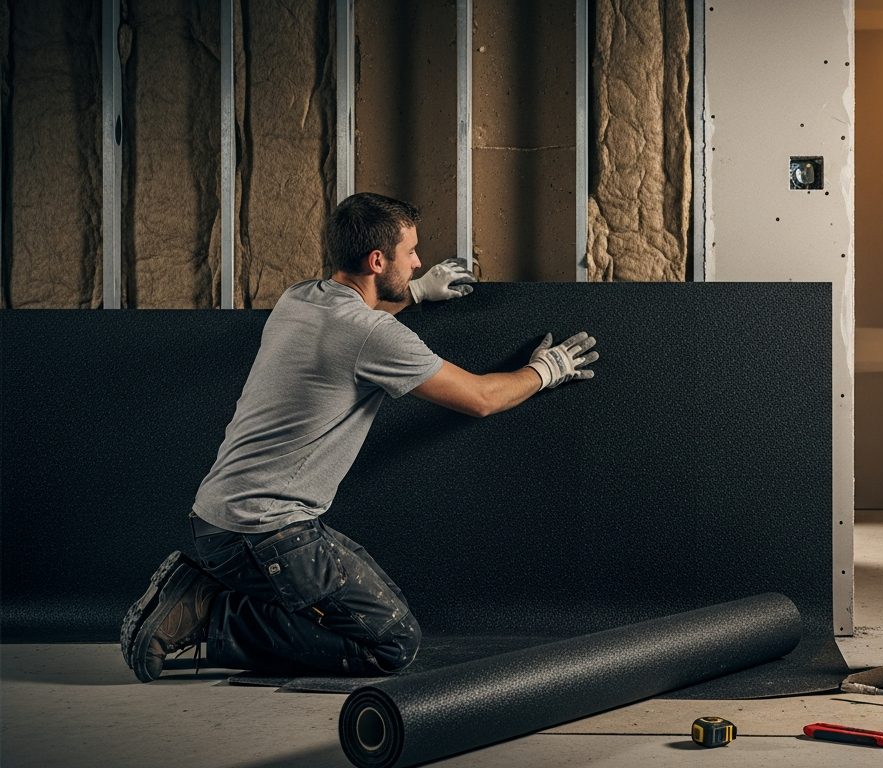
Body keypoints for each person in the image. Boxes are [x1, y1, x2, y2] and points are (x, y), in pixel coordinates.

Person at [117, 192, 598, 682]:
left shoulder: (299, 298)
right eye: (410, 252)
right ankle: (211, 614)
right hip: (266, 535)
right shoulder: (372, 335)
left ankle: (203, 595)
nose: (419, 262)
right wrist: (546, 369)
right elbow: (479, 398)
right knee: (392, 645)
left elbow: (350, 332)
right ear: (376, 260)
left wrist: (415, 293)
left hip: (218, 523)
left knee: (365, 607)